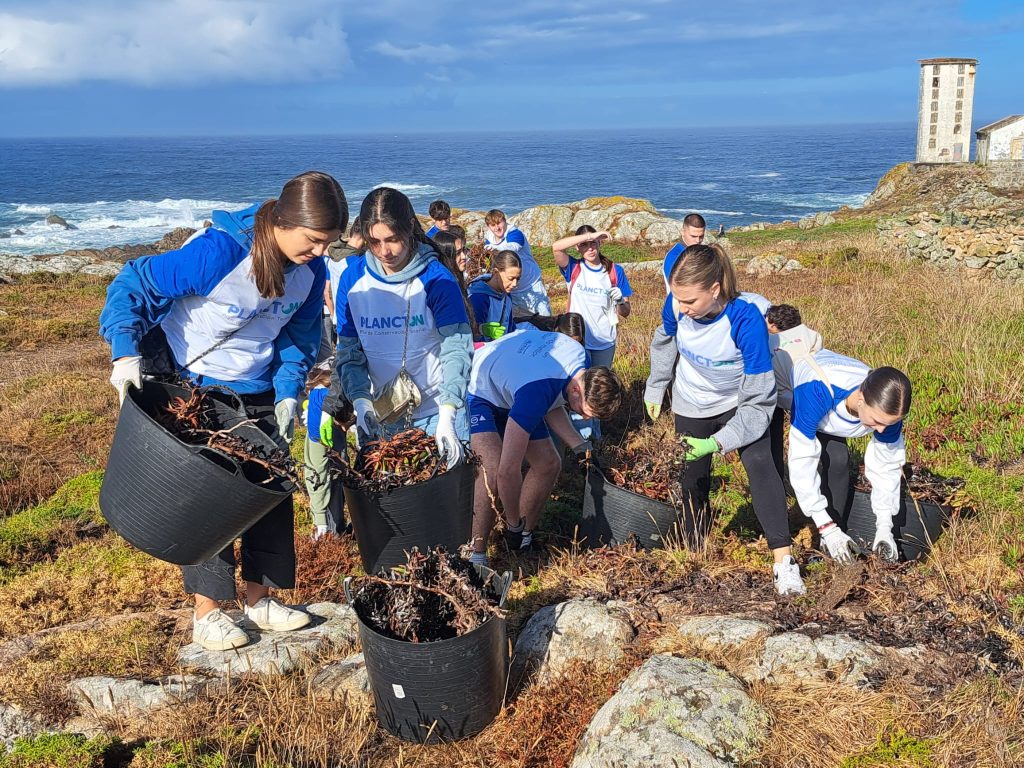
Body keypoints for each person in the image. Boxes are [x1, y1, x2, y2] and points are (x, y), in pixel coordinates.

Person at [100, 170, 348, 650]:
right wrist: (125, 352)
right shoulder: (219, 252)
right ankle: (208, 612)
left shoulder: (311, 271)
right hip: (196, 384)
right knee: (209, 495)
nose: (321, 253)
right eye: (315, 240)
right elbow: (133, 282)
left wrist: (288, 391)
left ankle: (261, 599)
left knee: (269, 490)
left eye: (330, 244)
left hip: (257, 387)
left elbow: (297, 338)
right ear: (283, 221)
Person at [647, 243, 804, 595]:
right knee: (691, 473)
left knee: (762, 465)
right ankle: (693, 548)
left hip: (742, 400)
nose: (683, 309)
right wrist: (656, 386)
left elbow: (759, 402)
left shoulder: (747, 320)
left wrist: (718, 443)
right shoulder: (676, 304)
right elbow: (665, 341)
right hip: (693, 399)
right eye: (678, 300)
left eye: (691, 301)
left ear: (715, 289)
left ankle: (784, 562)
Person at [328, 187, 472, 467]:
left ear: (409, 228)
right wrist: (360, 402)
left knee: (449, 502)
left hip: (437, 410)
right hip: (385, 412)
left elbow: (457, 349)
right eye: (374, 241)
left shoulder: (436, 279)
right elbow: (349, 350)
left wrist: (448, 412)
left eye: (393, 239)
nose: (385, 251)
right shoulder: (352, 280)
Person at [466, 329, 624, 565]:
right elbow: (508, 472)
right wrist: (512, 524)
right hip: (482, 389)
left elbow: (555, 400)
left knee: (549, 464)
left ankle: (523, 541)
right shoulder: (536, 393)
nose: (584, 418)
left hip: (518, 381)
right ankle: (477, 553)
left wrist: (581, 448)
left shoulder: (583, 366)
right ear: (577, 390)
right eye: (582, 412)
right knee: (491, 467)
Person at [787, 353, 911, 564]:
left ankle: (833, 539)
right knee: (773, 462)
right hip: (786, 385)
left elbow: (886, 467)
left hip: (831, 413)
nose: (881, 429)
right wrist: (824, 525)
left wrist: (884, 526)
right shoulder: (817, 391)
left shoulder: (888, 414)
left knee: (838, 460)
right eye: (876, 421)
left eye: (888, 424)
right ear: (861, 400)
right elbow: (801, 461)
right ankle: (819, 531)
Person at [644, 213, 706, 420]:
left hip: (698, 320)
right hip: (680, 319)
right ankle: (669, 413)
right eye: (693, 236)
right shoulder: (675, 258)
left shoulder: (700, 254)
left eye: (701, 237)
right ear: (683, 232)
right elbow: (678, 294)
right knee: (674, 366)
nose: (697, 241)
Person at [551, 225, 632, 369]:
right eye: (584, 245)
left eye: (593, 243)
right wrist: (590, 236)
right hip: (577, 339)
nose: (590, 248)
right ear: (577, 247)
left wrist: (620, 301)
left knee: (599, 386)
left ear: (599, 243)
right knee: (577, 386)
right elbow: (556, 247)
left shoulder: (615, 271)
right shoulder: (573, 267)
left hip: (605, 341)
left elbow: (625, 313)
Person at [302, 367, 349, 538]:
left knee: (324, 475)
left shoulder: (318, 397)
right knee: (333, 478)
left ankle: (327, 531)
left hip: (321, 439)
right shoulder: (326, 399)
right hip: (328, 441)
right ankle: (332, 532)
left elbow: (316, 472)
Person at [483, 209, 550, 314]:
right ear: (488, 227)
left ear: (505, 221)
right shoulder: (489, 240)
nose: (497, 228)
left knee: (544, 318)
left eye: (499, 223)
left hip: (531, 284)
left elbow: (513, 247)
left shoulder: (515, 233)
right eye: (493, 225)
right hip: (511, 290)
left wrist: (495, 249)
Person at [467, 249, 520, 342]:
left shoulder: (506, 294)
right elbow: (473, 334)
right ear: (496, 273)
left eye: (517, 279)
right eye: (511, 278)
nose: (515, 284)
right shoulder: (479, 298)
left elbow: (510, 325)